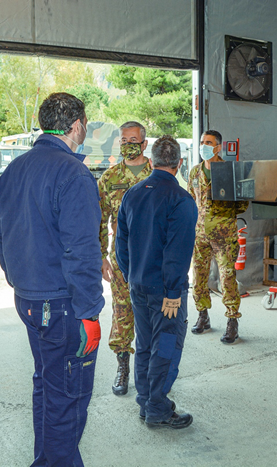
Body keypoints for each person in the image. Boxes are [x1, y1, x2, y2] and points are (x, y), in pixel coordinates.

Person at [0, 92, 104, 466]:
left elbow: (1, 237)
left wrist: (20, 281)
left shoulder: (15, 169)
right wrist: (89, 313)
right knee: (67, 397)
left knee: (47, 386)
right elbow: (83, 252)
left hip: (29, 300)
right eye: (85, 123)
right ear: (76, 126)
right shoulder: (73, 173)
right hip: (62, 307)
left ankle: (45, 460)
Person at [116, 135, 197, 429]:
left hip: (138, 285)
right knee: (166, 347)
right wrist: (174, 293)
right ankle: (157, 408)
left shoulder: (132, 194)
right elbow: (177, 254)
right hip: (166, 293)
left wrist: (131, 275)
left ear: (151, 162)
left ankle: (145, 402)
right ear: (179, 163)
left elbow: (120, 246)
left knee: (146, 345)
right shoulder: (181, 200)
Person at [99, 121, 152, 396]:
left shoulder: (158, 175)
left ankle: (153, 370)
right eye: (123, 140)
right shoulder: (109, 178)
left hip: (152, 259)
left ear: (144, 143)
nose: (127, 144)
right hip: (121, 260)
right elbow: (99, 220)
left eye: (133, 139)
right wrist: (101, 257)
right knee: (122, 311)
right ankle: (123, 367)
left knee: (153, 312)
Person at [188, 130, 248, 344]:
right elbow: (189, 201)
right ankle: (202, 315)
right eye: (202, 142)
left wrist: (226, 202)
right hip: (199, 236)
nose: (204, 145)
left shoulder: (230, 171)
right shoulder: (195, 173)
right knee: (198, 278)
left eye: (209, 142)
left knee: (227, 279)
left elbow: (243, 203)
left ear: (218, 147)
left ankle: (232, 321)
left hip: (224, 236)